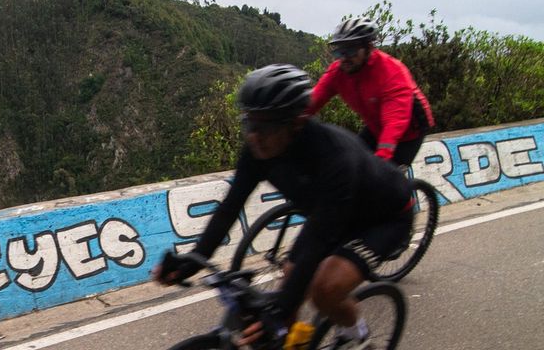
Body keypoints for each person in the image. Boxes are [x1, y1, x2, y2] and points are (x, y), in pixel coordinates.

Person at [153, 64, 414, 349]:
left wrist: (279, 311)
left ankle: (358, 336)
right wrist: (193, 260)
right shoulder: (258, 149)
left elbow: (319, 238)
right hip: (333, 215)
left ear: (296, 123)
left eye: (264, 127)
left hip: (384, 219)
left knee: (324, 290)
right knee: (290, 278)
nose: (254, 136)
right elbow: (231, 206)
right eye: (249, 124)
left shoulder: (334, 157)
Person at [304, 17, 435, 166]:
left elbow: (394, 122)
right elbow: (313, 102)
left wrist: (383, 158)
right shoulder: (338, 72)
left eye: (351, 50)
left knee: (386, 177)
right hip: (376, 123)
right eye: (340, 51)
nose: (345, 57)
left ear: (368, 47)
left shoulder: (391, 72)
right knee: (351, 164)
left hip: (410, 130)